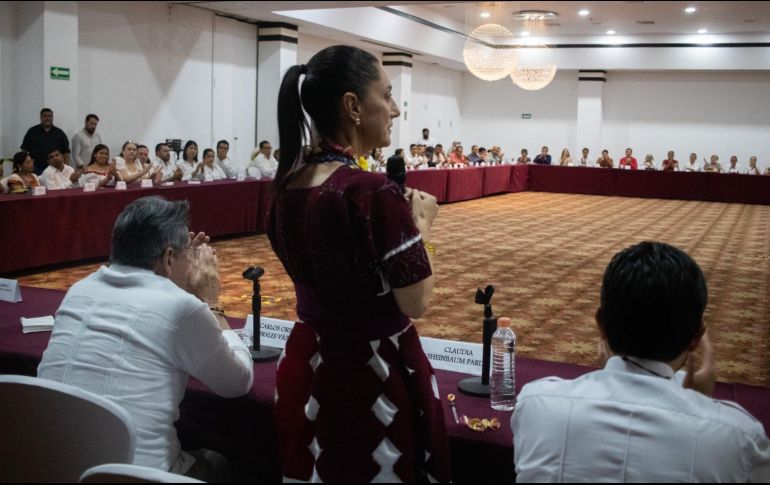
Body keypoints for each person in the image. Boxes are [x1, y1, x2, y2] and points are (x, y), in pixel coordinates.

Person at [269, 45, 451, 483]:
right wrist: (420, 225)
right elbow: (415, 300)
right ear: (353, 106)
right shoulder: (371, 191)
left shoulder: (286, 185)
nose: (395, 109)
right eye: (386, 96)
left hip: (307, 361)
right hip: (370, 374)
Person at [512, 241, 770, 482]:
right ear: (696, 337)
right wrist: (703, 405)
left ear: (600, 324)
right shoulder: (739, 436)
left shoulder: (535, 402)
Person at [38, 196, 254, 481]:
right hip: (137, 475)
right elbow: (236, 384)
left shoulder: (79, 289)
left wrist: (178, 277)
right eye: (182, 256)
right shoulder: (181, 307)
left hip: (54, 466)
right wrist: (211, 300)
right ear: (167, 258)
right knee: (231, 464)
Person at [20, 108, 71, 174]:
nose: (47, 118)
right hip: (36, 169)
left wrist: (65, 169)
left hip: (55, 169)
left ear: (52, 117)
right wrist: (25, 167)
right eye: (45, 116)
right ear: (40, 117)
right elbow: (24, 151)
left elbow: (66, 153)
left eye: (50, 116)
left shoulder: (60, 133)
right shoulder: (32, 132)